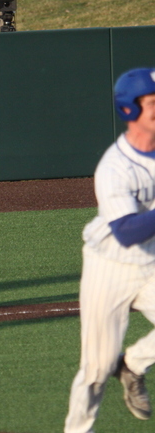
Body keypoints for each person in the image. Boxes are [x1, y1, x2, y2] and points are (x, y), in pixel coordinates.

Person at [65, 68, 155, 432]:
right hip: (110, 265)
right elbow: (127, 232)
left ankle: (132, 363)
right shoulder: (114, 167)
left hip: (151, 262)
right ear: (129, 109)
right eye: (152, 102)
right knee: (96, 370)